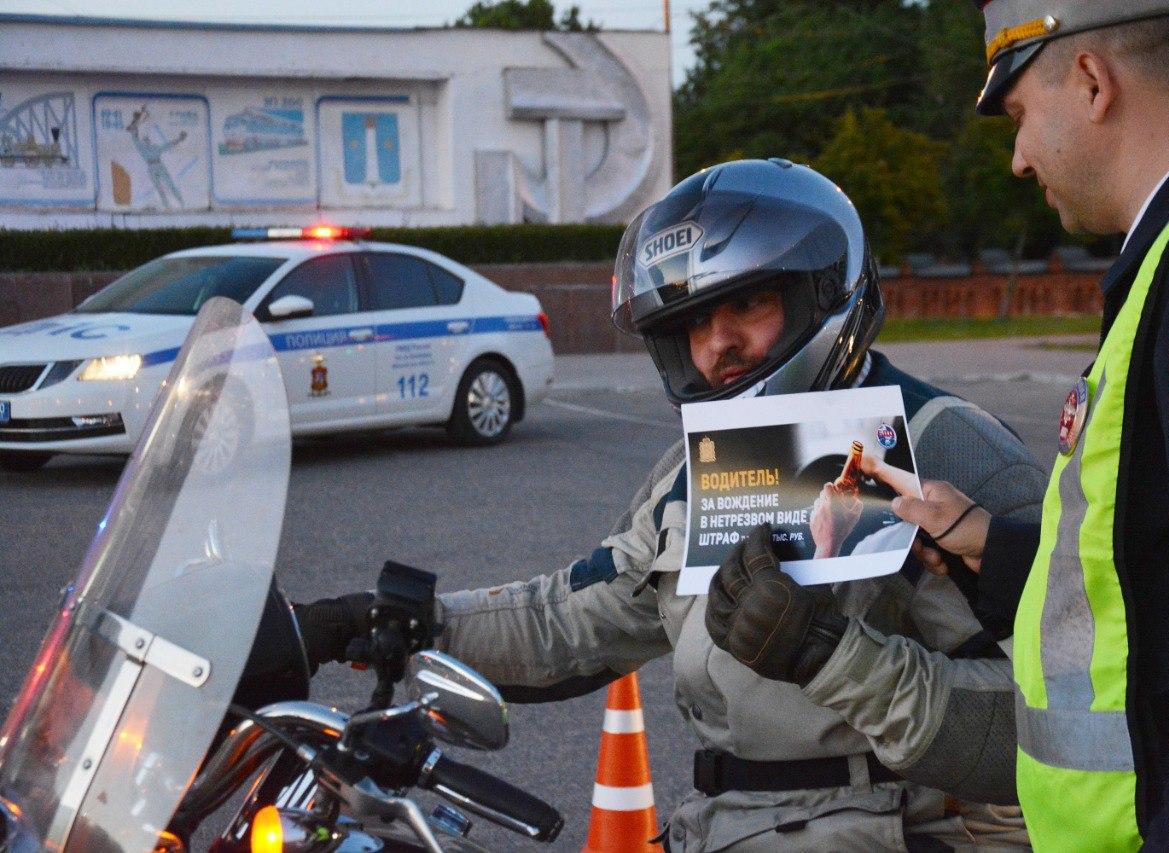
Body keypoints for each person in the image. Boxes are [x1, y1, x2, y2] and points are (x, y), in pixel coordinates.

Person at [299, 159, 1047, 851]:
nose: (715, 345)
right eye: (690, 323)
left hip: (892, 833)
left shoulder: (943, 447)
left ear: (821, 290)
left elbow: (1050, 718)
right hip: (721, 826)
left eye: (746, 304)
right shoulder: (700, 469)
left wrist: (829, 654)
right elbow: (580, 616)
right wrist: (384, 622)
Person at [767, 3, 1169, 849]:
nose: (1016, 158)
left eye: (1018, 117)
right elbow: (1162, 565)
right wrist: (984, 544)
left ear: (1090, 83)